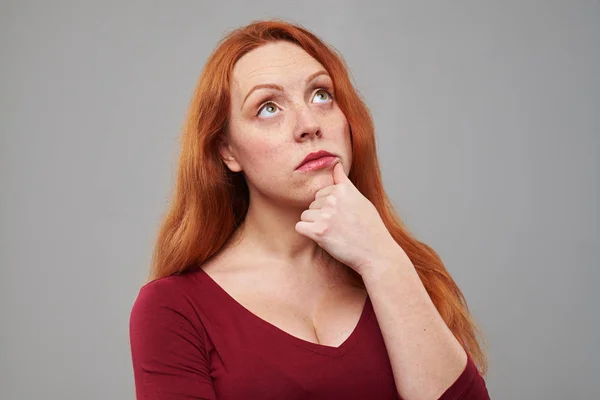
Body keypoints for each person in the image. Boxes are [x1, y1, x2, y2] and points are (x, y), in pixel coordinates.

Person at [129, 20, 491, 400]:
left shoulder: (402, 271)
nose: (308, 124)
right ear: (227, 151)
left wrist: (383, 260)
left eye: (321, 95)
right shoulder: (173, 308)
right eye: (268, 107)